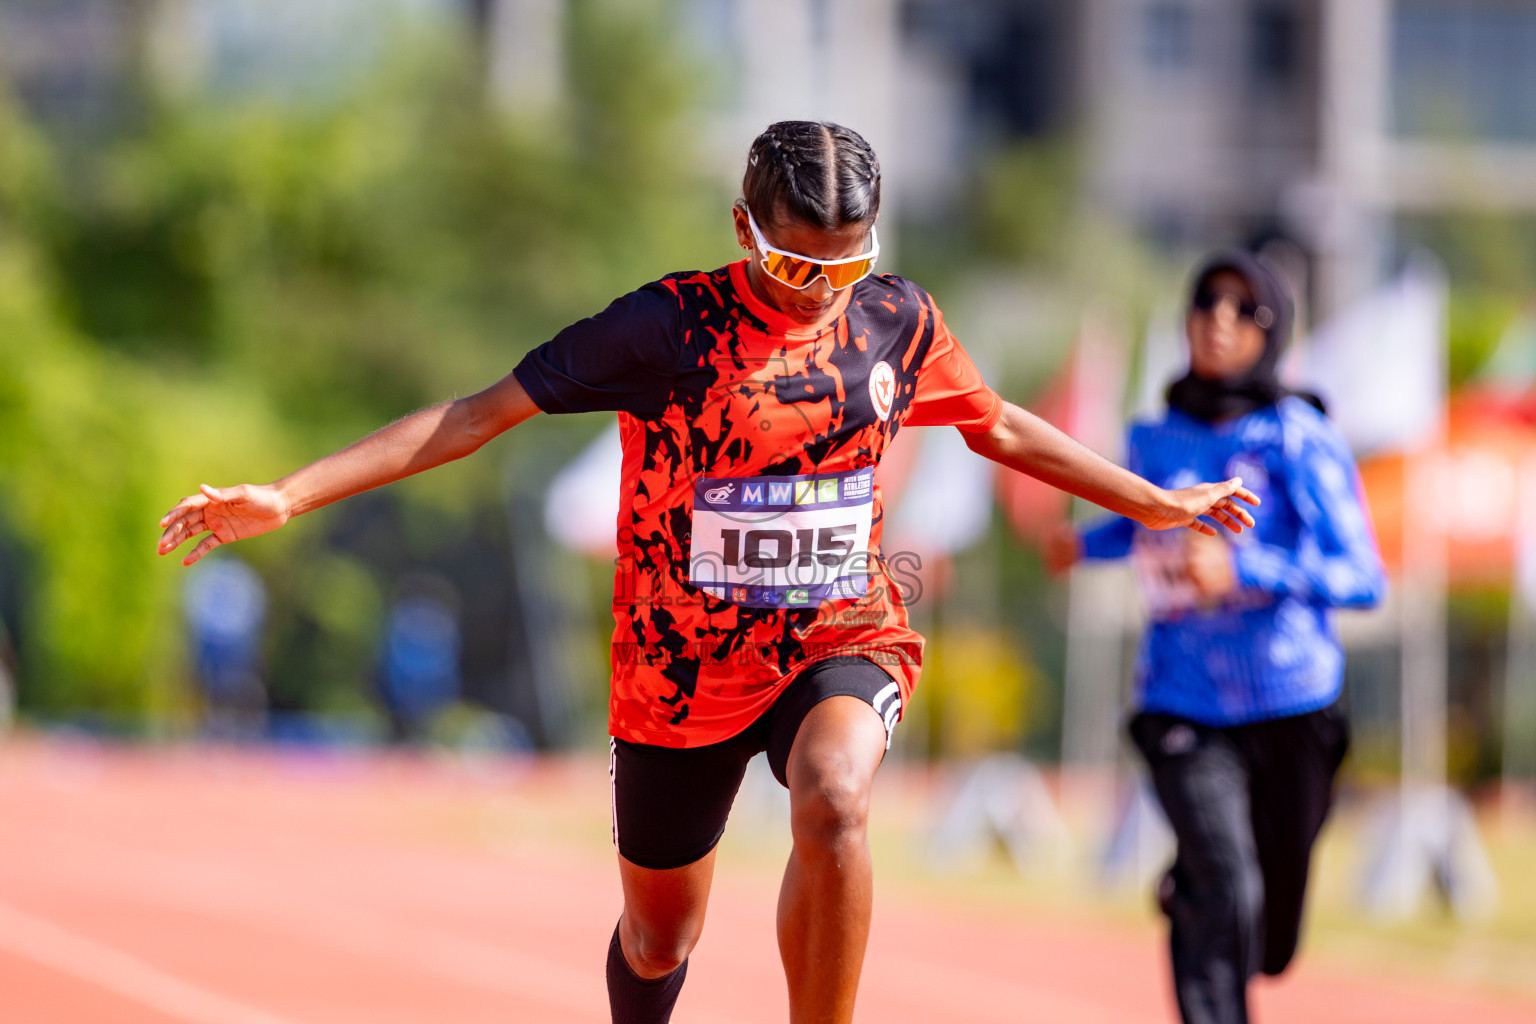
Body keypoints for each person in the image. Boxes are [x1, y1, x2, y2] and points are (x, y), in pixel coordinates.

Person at [159, 121, 1259, 1024]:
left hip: (840, 632)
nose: (814, 294)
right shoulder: (664, 327)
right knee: (658, 933)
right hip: (677, 672)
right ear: (743, 230)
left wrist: (1151, 499)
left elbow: (1002, 426)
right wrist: (290, 493)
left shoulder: (899, 322)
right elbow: (474, 415)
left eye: (844, 265)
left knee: (834, 798)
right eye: (788, 265)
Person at [1046, 250, 1385, 1024]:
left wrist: (1246, 569)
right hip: (1182, 700)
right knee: (1226, 881)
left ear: (1275, 333)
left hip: (1293, 705)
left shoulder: (1298, 436)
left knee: (1269, 931)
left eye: (1244, 311)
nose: (1218, 322)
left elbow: (1363, 577)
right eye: (1206, 303)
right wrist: (1084, 547)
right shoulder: (1155, 439)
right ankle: (1203, 891)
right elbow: (1144, 532)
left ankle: (1200, 884)